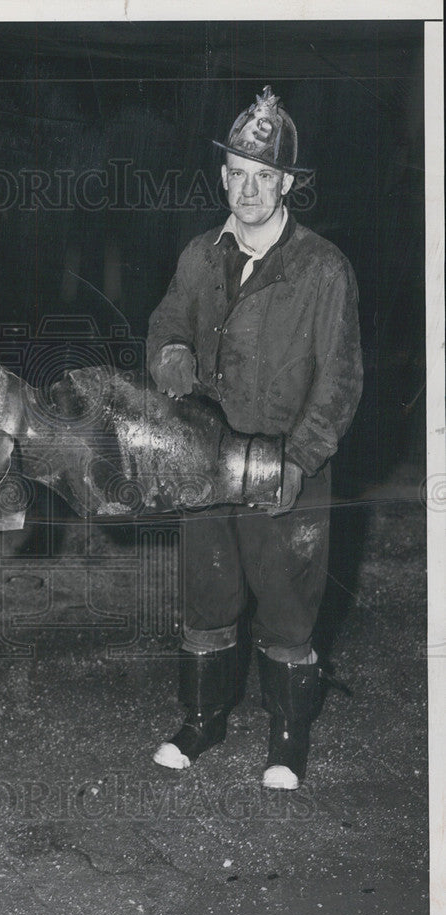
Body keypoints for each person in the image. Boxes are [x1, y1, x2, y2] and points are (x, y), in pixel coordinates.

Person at [146, 86, 363, 790]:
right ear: (222, 176)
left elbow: (340, 381)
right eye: (237, 173)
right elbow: (165, 323)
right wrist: (170, 351)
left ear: (289, 185)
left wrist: (300, 459)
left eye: (263, 176)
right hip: (204, 462)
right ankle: (203, 720)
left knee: (287, 605)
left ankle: (288, 736)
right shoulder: (199, 256)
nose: (248, 189)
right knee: (208, 597)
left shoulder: (323, 269)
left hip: (281, 466)